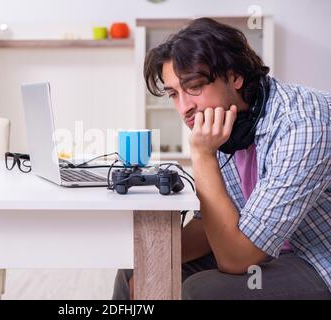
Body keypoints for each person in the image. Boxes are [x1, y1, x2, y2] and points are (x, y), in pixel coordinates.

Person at [113, 17, 331, 300]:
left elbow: (237, 259)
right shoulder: (223, 119)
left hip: (316, 258)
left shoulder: (303, 124)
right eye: (174, 94)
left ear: (235, 76)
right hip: (255, 246)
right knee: (137, 268)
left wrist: (202, 155)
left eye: (193, 87)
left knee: (201, 291)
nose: (184, 108)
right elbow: (209, 227)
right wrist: (150, 252)